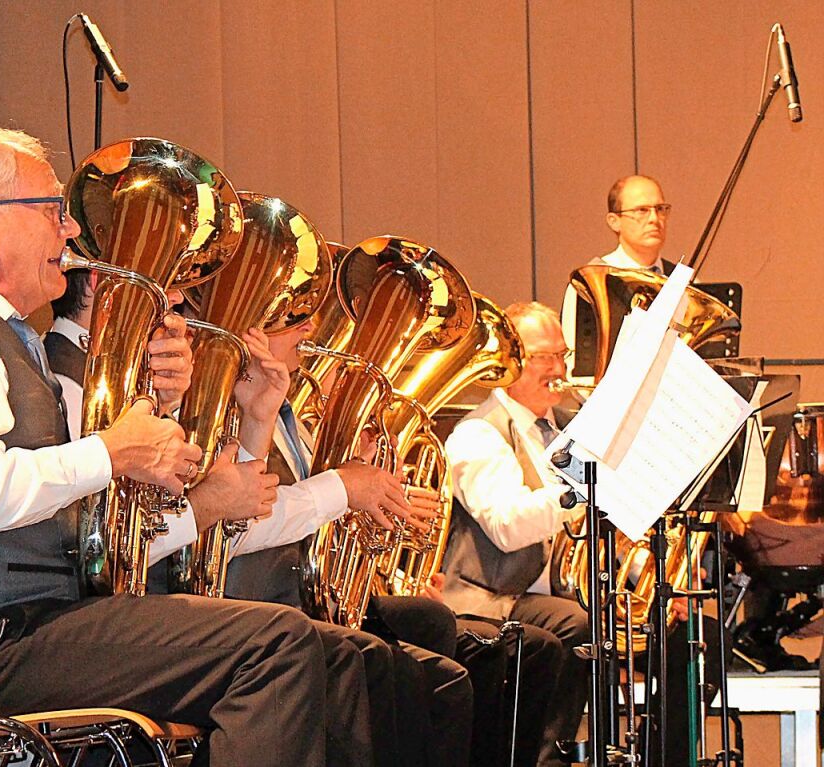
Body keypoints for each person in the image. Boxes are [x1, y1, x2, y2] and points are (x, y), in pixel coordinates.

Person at [0, 127, 362, 767]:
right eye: (53, 213)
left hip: (16, 632)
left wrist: (156, 426)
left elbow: (66, 515)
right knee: (272, 645)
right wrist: (114, 452)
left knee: (313, 650)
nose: (71, 234)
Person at [48, 275, 472, 767]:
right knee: (330, 655)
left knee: (422, 664)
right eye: (289, 315)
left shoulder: (138, 382)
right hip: (132, 613)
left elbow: (227, 509)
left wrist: (259, 419)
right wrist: (338, 487)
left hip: (179, 604)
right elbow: (124, 538)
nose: (181, 300)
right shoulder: (67, 380)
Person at [445, 300, 725, 766]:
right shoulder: (477, 433)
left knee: (694, 633)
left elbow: (602, 532)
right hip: (494, 597)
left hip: (561, 592)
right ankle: (547, 758)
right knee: (577, 622)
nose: (558, 369)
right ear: (509, 360)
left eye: (563, 355)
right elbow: (507, 525)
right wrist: (578, 490)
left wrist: (654, 579)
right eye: (543, 357)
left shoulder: (563, 429)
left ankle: (664, 757)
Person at [561, 174, 674, 380]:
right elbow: (577, 370)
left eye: (660, 209)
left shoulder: (682, 283)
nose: (654, 219)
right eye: (642, 210)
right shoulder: (589, 284)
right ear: (614, 221)